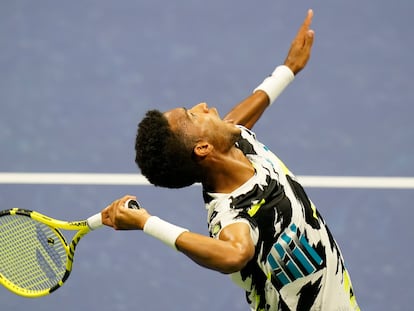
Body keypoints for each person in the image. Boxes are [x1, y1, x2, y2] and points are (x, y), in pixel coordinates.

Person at [101, 9, 360, 311]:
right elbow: (234, 255)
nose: (202, 105)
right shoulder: (230, 214)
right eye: (192, 115)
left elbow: (242, 115)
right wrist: (147, 222)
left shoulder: (236, 141)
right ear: (203, 149)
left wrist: (288, 69)